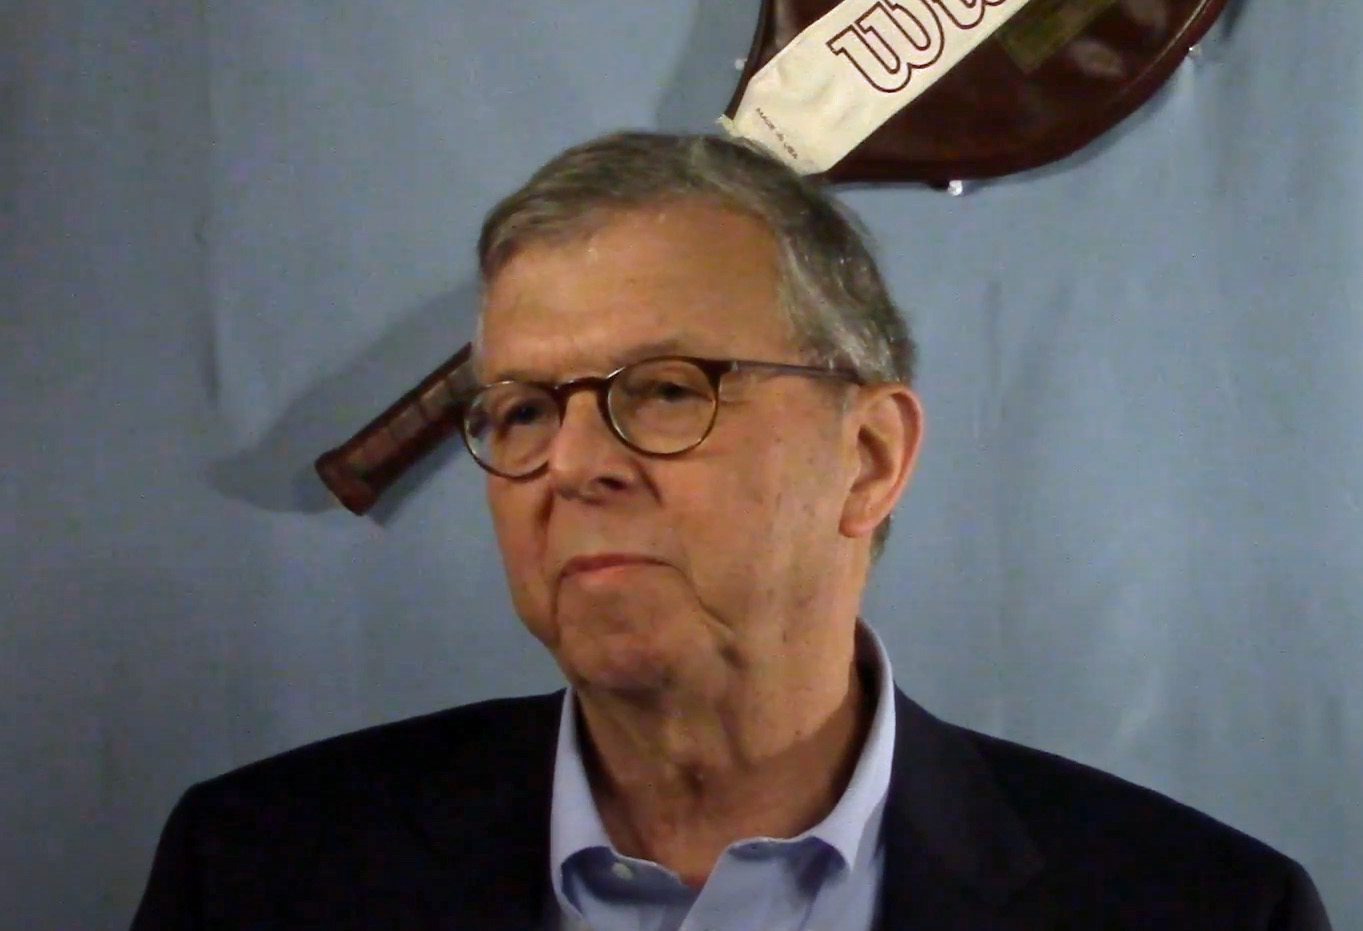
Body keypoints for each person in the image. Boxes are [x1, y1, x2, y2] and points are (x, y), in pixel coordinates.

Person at [129, 131, 1333, 930]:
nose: (576, 465)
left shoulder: (1205, 909)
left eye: (664, 389)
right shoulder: (256, 875)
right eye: (526, 408)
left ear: (867, 460)